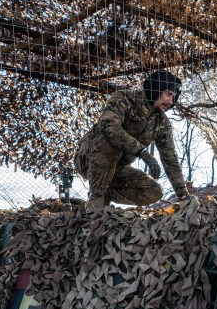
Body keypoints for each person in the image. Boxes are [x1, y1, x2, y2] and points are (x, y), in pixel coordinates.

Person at [75, 70, 189, 208]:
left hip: (118, 169)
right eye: (168, 94)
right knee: (112, 141)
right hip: (88, 159)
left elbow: (170, 158)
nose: (171, 101)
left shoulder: (162, 123)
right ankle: (96, 199)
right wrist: (141, 152)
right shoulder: (125, 98)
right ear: (156, 88)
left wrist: (183, 195)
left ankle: (106, 193)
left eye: (174, 97)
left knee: (154, 192)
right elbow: (108, 125)